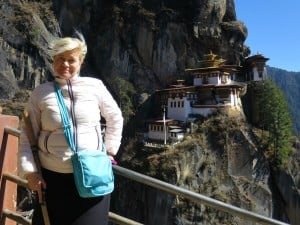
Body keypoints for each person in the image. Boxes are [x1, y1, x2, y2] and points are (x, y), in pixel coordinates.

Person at [18, 32, 123, 225]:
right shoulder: (41, 93)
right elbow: (27, 135)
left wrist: (109, 151)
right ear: (53, 60)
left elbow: (115, 117)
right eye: (60, 59)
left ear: (81, 62)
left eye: (71, 60)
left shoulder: (95, 87)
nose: (65, 64)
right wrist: (30, 172)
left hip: (91, 175)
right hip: (52, 178)